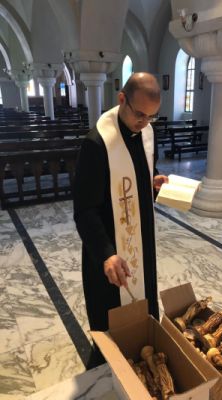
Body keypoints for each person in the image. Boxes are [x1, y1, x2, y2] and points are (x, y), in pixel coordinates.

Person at [73, 73, 168, 357]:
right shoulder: (97, 143)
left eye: (152, 117)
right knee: (110, 318)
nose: (144, 122)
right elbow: (84, 209)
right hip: (110, 248)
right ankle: (108, 360)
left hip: (140, 240)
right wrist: (106, 253)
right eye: (140, 114)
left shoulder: (147, 134)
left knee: (143, 306)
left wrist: (152, 186)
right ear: (122, 99)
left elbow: (138, 183)